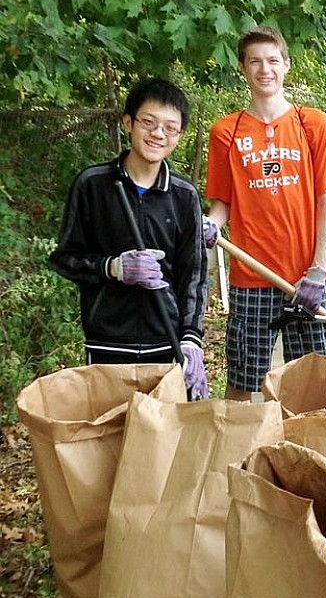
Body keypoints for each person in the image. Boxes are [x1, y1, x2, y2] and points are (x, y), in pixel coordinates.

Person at [204, 26, 326, 401]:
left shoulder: (313, 124)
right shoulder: (226, 131)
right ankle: (242, 456)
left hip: (308, 278)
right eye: (255, 61)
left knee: (316, 383)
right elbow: (223, 202)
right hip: (251, 276)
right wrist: (210, 225)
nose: (264, 69)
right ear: (242, 68)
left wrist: (318, 269)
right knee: (243, 381)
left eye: (272, 60)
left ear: (286, 64)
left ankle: (309, 455)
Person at [50, 78, 209, 400]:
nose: (157, 133)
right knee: (110, 439)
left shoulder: (183, 195)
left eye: (169, 127)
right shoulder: (93, 185)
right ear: (128, 122)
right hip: (107, 340)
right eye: (148, 122)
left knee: (163, 442)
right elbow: (65, 258)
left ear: (179, 135)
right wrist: (113, 268)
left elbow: (193, 275)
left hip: (166, 338)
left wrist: (191, 338)